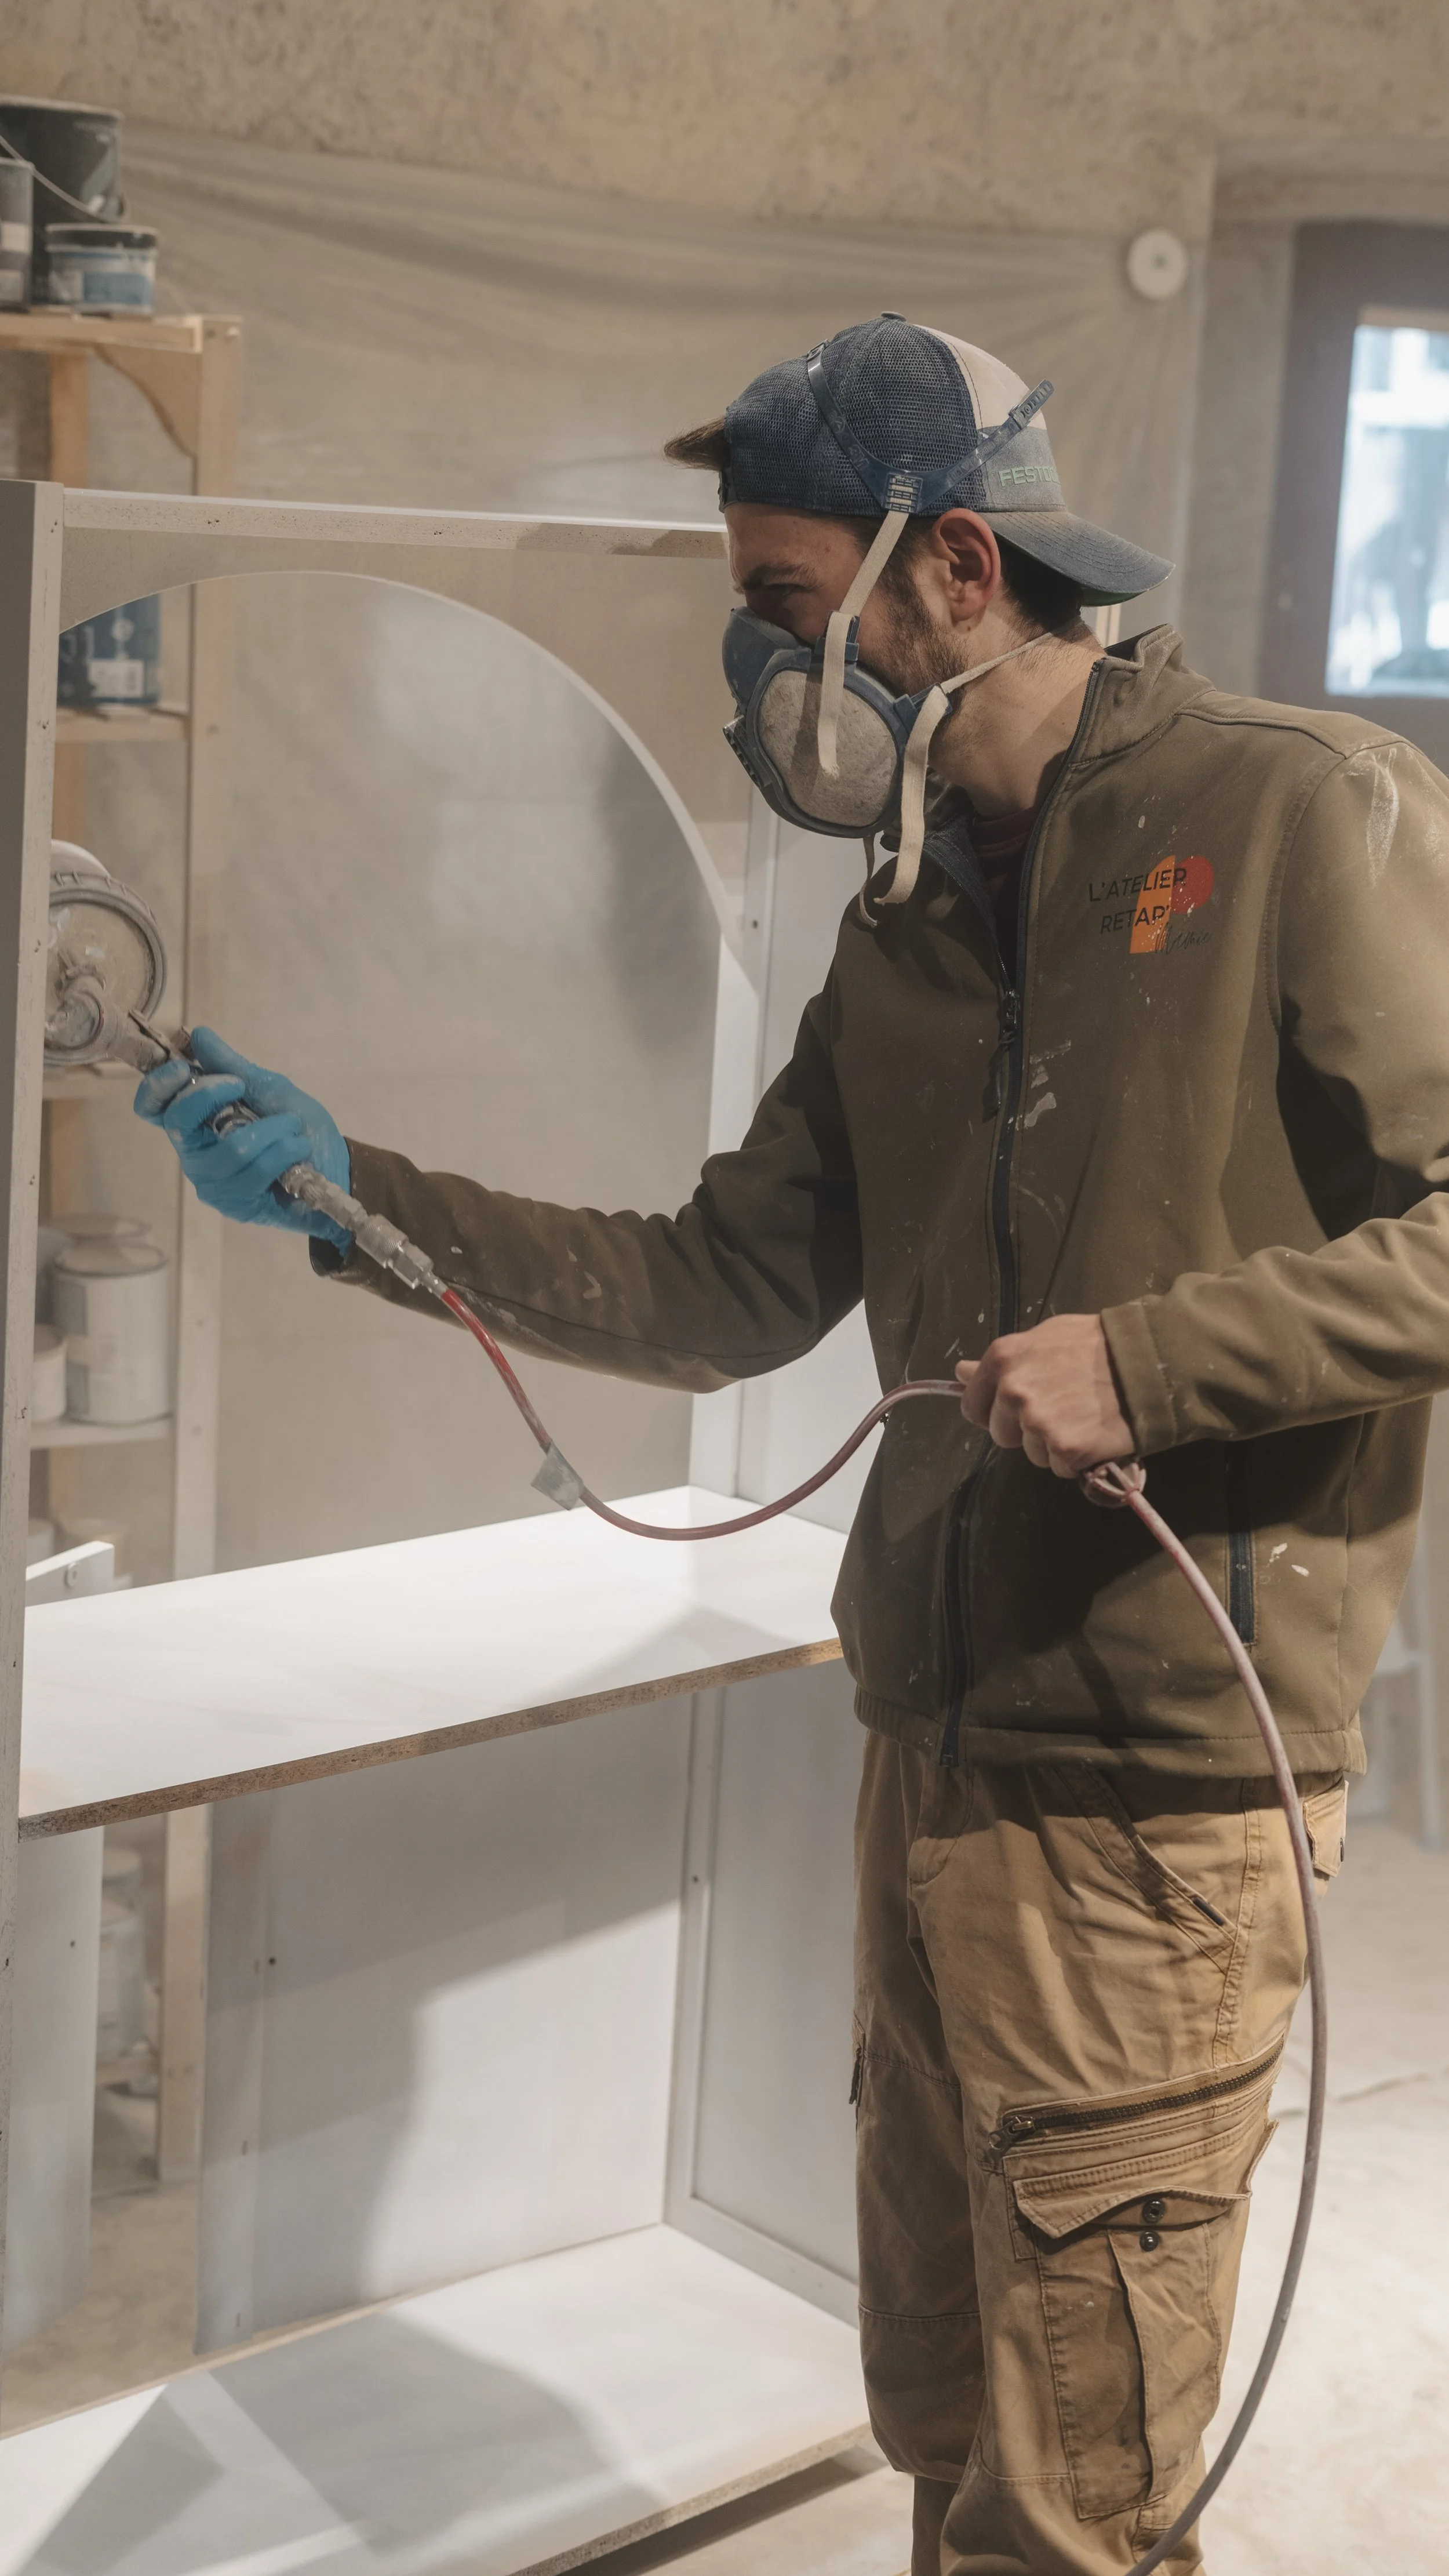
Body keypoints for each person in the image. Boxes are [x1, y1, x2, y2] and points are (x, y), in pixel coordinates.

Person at [136, 317, 1448, 2576]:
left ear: (951, 568)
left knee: (1074, 2510)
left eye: (775, 609)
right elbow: (723, 1281)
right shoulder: (912, 920)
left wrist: (1150, 1364)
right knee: (934, 2409)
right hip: (927, 1757)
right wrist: (367, 1199)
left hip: (1153, 1803)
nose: (756, 673)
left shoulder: (1291, 813)